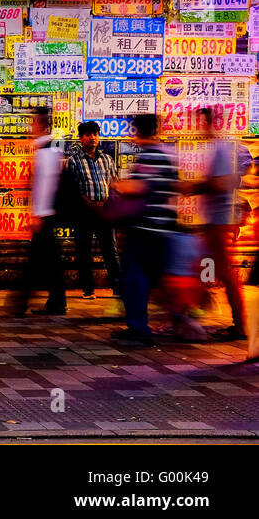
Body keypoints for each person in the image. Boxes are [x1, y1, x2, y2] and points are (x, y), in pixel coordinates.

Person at [109, 114, 180, 346]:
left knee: (135, 276)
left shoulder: (150, 156)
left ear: (138, 132)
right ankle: (179, 320)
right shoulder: (167, 156)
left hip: (144, 226)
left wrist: (117, 184)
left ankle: (139, 326)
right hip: (163, 226)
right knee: (157, 278)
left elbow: (139, 186)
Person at [190, 107, 248, 341]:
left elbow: (223, 183)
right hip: (213, 220)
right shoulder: (217, 148)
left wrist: (193, 187)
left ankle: (240, 325)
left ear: (210, 122)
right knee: (203, 267)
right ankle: (192, 312)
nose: (200, 126)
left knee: (225, 273)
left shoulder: (222, 149)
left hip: (219, 220)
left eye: (202, 121)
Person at [12, 106, 68, 317]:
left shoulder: (46, 151)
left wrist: (38, 214)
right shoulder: (50, 149)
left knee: (37, 259)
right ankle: (55, 301)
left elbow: (45, 184)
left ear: (41, 125)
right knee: (51, 259)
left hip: (45, 215)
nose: (30, 126)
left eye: (33, 122)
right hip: (47, 214)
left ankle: (20, 302)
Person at [66, 120, 122, 301]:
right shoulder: (74, 161)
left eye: (95, 134)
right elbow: (71, 189)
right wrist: (89, 203)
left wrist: (109, 203)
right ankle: (88, 289)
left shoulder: (106, 160)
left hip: (105, 212)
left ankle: (118, 287)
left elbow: (115, 184)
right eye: (89, 134)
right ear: (81, 138)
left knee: (110, 251)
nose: (93, 138)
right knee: (84, 251)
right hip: (84, 213)